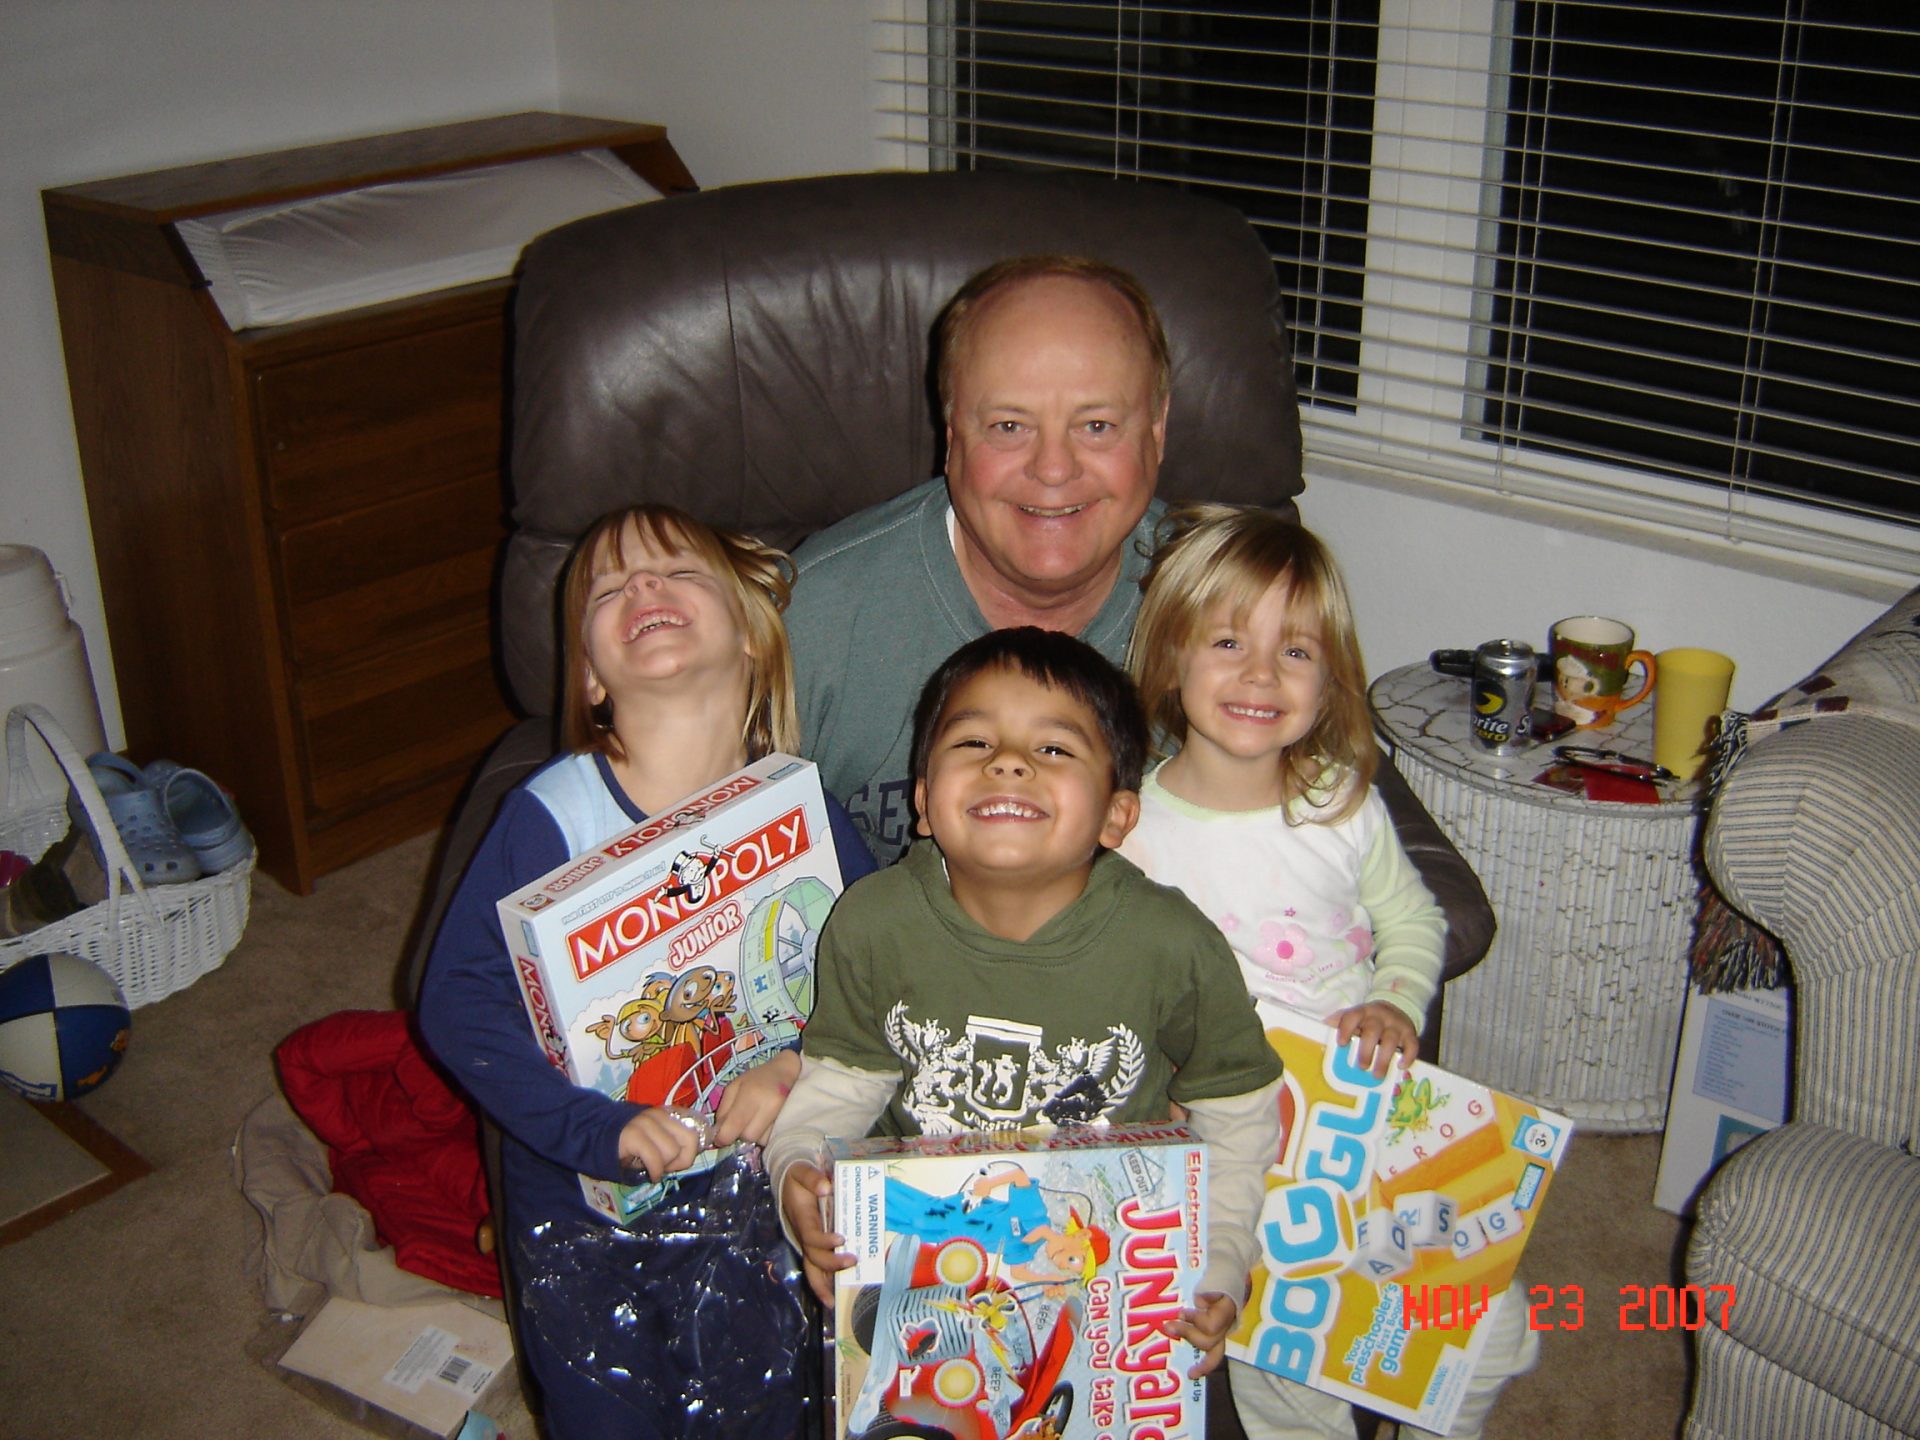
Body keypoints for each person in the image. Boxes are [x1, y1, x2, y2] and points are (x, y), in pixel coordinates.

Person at [417, 504, 876, 1439]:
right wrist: (590, 1128)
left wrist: (799, 1069)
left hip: (772, 1195)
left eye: (676, 574)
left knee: (777, 1410)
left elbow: (879, 976)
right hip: (591, 1204)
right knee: (610, 1416)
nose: (644, 591)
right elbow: (457, 1002)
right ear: (589, 673)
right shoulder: (549, 816)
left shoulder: (803, 806)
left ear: (751, 637)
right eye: (611, 589)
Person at [1116, 503, 1539, 1440]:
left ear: (1328, 677)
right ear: (1171, 656)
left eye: (1296, 652)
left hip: (1359, 1115)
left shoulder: (1341, 803)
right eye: (1227, 640)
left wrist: (1396, 999)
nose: (1261, 674)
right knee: (1287, 1376)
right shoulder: (1129, 828)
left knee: (1494, 1325)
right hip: (1230, 1146)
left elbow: (1414, 917)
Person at [763, 627, 1284, 1377]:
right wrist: (799, 1184)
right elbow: (839, 1085)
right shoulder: (873, 921)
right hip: (935, 1277)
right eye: (973, 743)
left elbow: (1237, 1114)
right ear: (923, 802)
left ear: (1117, 816)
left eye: (1054, 750)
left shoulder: (1173, 945)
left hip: (1106, 1283)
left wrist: (1220, 1260)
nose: (1007, 761)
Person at [786, 254, 1171, 863]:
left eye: (1096, 425)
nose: (1053, 469)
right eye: (1009, 425)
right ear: (950, 435)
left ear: (1155, 431)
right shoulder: (812, 620)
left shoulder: (1230, 607)